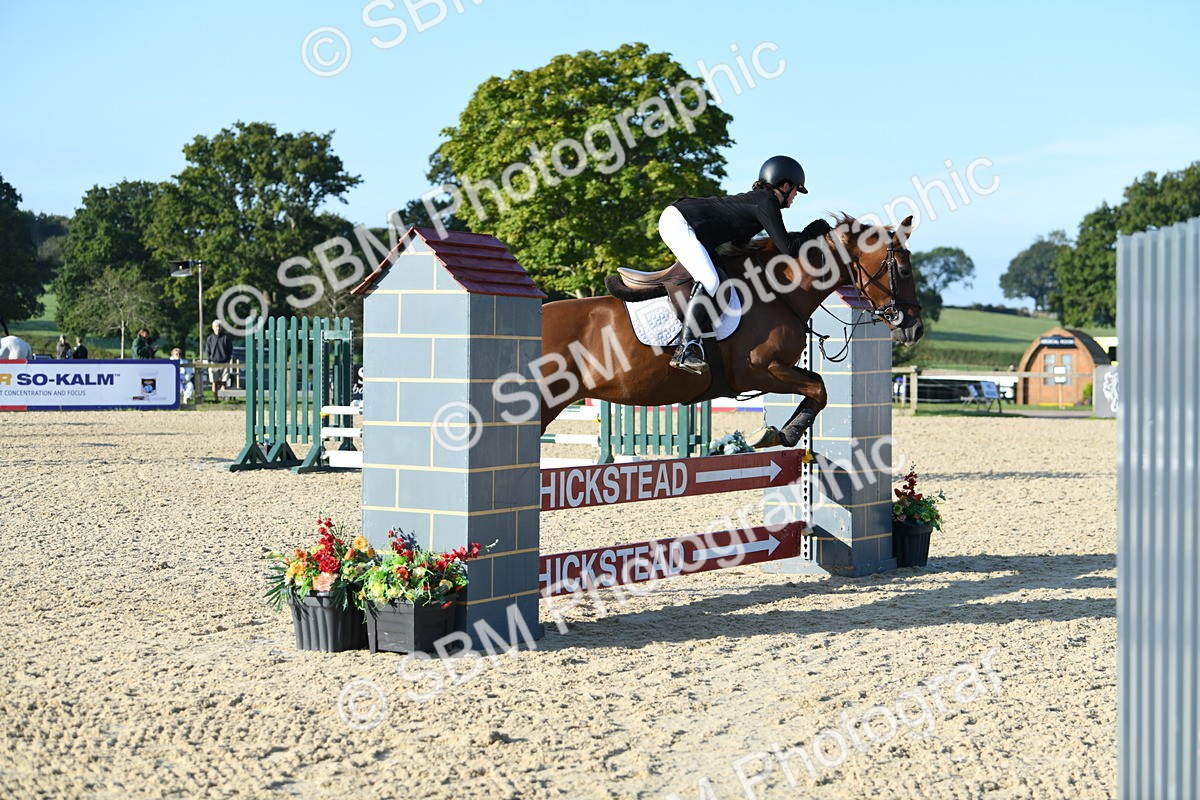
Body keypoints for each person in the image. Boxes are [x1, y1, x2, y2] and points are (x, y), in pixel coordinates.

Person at [658, 155, 831, 374]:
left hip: (687, 223)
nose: (796, 196)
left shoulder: (759, 201)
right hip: (680, 221)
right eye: (796, 189)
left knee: (721, 276)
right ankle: (685, 350)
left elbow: (739, 242)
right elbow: (789, 248)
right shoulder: (766, 202)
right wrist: (815, 229)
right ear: (785, 186)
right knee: (710, 280)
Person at [205, 320, 233, 403]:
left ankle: (223, 397)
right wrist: (209, 360)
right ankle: (215, 398)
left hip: (224, 362)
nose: (218, 328)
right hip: (214, 362)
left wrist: (228, 359)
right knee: (214, 381)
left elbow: (230, 349)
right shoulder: (210, 338)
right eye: (216, 326)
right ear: (213, 328)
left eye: (219, 326)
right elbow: (207, 350)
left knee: (224, 381)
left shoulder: (226, 338)